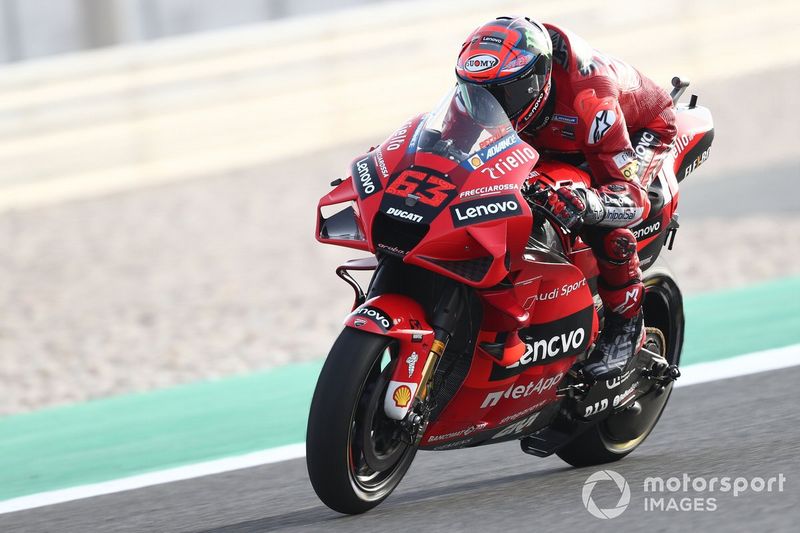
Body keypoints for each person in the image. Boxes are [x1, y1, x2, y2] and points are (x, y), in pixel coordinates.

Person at [455, 16, 677, 380]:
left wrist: (590, 204)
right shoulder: (488, 88)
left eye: (503, 95)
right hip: (553, 138)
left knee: (604, 219)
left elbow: (631, 196)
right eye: (478, 93)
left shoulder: (591, 98)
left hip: (636, 132)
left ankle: (627, 325)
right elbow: (449, 140)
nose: (489, 105)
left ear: (537, 80)